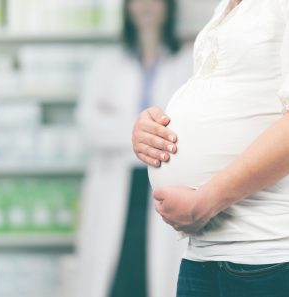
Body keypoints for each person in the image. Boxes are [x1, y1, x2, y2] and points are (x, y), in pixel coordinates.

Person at [131, 0, 289, 296]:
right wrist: (155, 130)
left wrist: (204, 203)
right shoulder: (229, 5)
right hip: (209, 251)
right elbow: (239, 92)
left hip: (286, 252)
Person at [74, 0, 193, 296]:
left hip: (163, 183)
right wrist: (149, 130)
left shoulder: (186, 62)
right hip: (116, 183)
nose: (146, 6)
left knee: (157, 275)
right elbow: (89, 125)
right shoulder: (107, 64)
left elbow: (188, 127)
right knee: (116, 276)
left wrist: (118, 123)